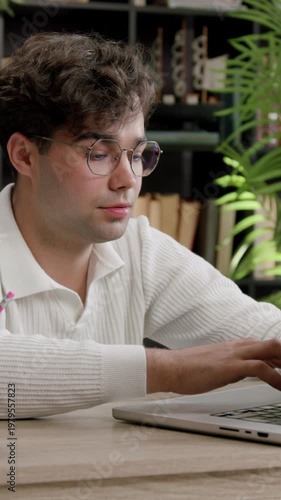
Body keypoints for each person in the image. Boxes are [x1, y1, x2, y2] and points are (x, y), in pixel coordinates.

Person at [0, 32, 281, 420]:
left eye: (138, 154)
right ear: (24, 156)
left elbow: (263, 334)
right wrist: (169, 370)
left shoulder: (141, 250)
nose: (128, 179)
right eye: (99, 154)